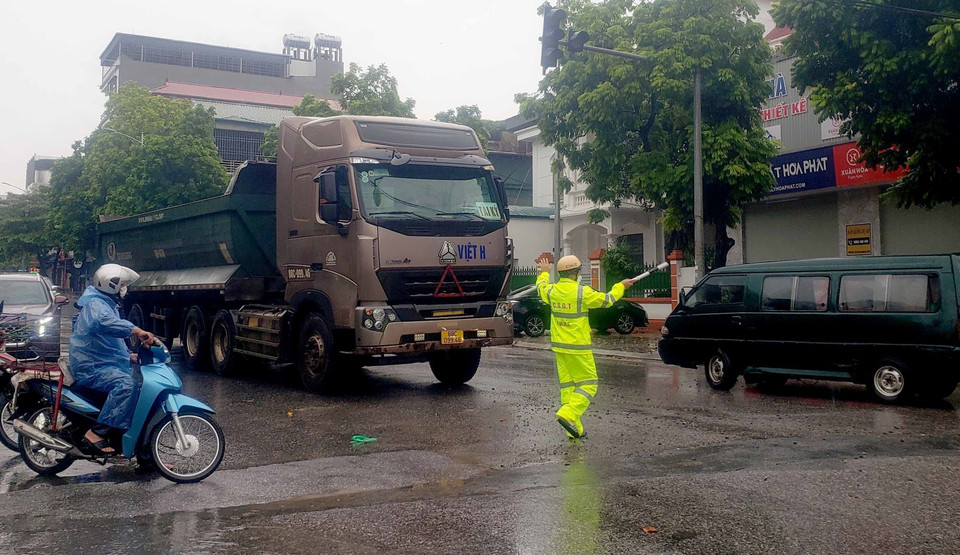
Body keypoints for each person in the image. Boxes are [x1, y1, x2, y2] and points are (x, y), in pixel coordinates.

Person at [536, 254, 637, 439]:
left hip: (560, 348)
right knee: (589, 384)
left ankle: (574, 428)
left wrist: (544, 273)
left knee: (568, 386)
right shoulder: (582, 293)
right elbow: (608, 299)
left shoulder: (551, 291)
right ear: (575, 273)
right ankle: (569, 414)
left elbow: (541, 287)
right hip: (578, 348)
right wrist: (621, 286)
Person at [69, 263, 155, 455]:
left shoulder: (105, 303)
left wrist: (130, 356)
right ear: (111, 285)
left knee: (136, 394)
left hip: (103, 363)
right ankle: (95, 433)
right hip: (91, 366)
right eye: (122, 284)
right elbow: (104, 323)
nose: (124, 288)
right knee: (126, 386)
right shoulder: (95, 304)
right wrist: (136, 330)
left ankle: (144, 455)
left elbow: (111, 344)